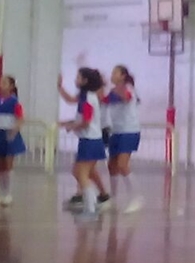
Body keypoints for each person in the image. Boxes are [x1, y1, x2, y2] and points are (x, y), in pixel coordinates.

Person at [60, 68, 109, 220]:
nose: (76, 80)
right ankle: (93, 201)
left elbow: (86, 122)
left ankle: (91, 209)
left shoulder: (88, 98)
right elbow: (80, 116)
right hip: (88, 140)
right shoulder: (84, 96)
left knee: (81, 174)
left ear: (85, 81)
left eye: (78, 77)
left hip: (91, 141)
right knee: (78, 172)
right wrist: (67, 123)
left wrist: (71, 126)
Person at [104, 65, 143, 213]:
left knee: (122, 165)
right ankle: (113, 199)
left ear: (123, 76)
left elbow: (126, 98)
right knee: (112, 165)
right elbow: (104, 100)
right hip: (116, 131)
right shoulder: (113, 91)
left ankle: (136, 197)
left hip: (129, 131)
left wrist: (117, 87)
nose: (112, 75)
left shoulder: (128, 89)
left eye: (115, 73)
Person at [0, 75, 26, 206]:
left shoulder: (14, 101)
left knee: (8, 164)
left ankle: (8, 193)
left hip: (10, 134)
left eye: (4, 83)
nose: (1, 85)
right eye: (1, 82)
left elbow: (20, 118)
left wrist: (14, 130)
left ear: (11, 86)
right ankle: (1, 192)